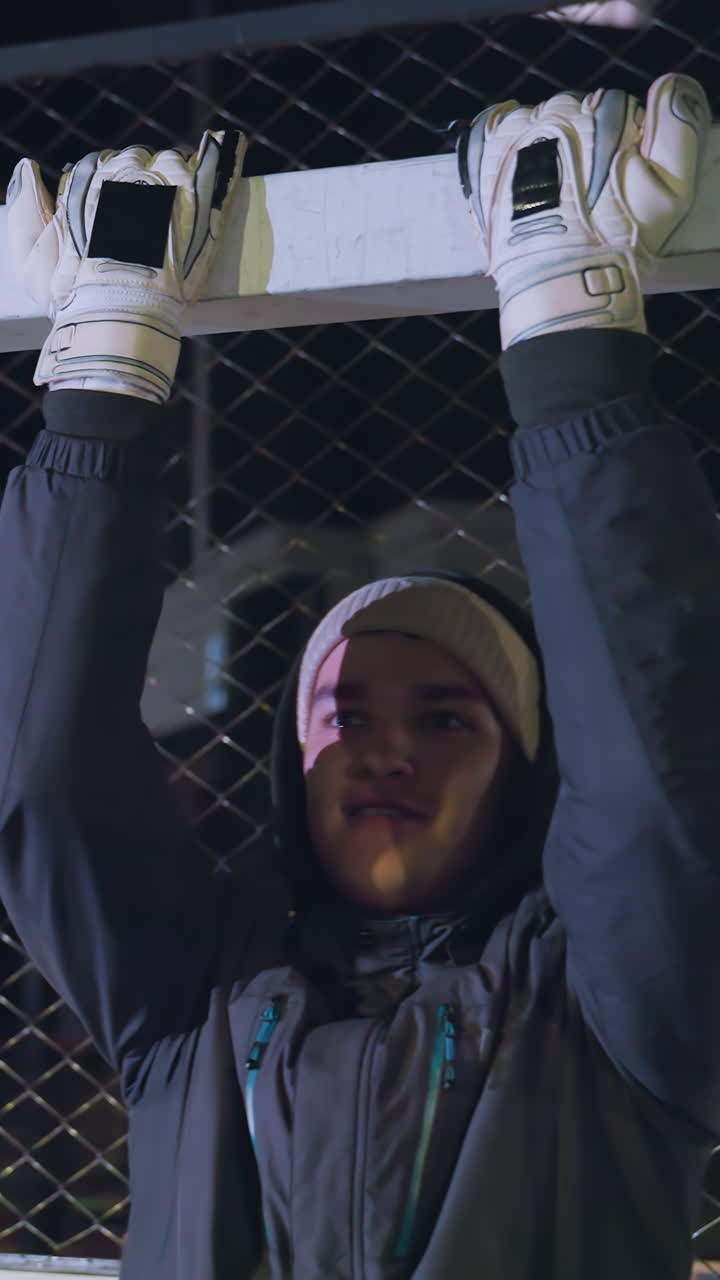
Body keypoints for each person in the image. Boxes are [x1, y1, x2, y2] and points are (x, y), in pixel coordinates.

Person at [1, 70, 718, 1280]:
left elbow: (657, 781)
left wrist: (570, 337)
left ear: (528, 769)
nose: (383, 749)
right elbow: (41, 773)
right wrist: (102, 377)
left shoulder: (611, 1007)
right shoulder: (188, 994)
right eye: (342, 712)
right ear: (295, 762)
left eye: (448, 715)